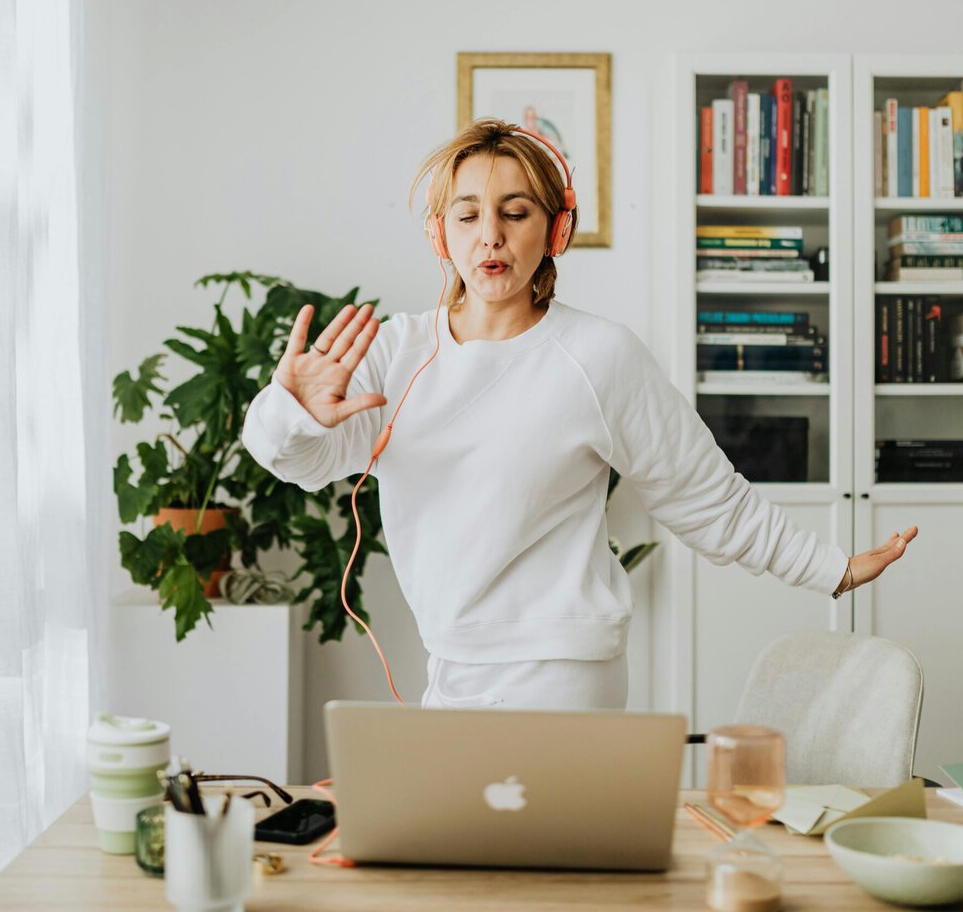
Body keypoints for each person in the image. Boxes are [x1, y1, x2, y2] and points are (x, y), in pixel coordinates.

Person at [241, 118, 917, 711]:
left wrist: (833, 568)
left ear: (555, 228)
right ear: (439, 233)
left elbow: (705, 497)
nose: (491, 236)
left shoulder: (599, 355)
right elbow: (303, 462)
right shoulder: (396, 350)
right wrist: (291, 410)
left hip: (563, 672)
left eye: (516, 211)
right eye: (469, 215)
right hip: (449, 666)